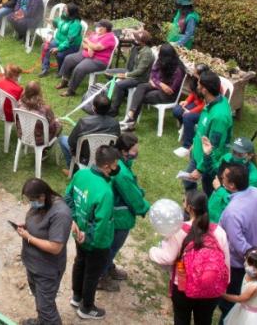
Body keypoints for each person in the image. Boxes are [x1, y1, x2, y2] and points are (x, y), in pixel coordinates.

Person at [150, 190, 231, 325]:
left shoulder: (179, 230)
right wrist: (223, 284)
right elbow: (225, 262)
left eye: (184, 200)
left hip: (182, 285)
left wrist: (152, 251)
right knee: (204, 321)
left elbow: (168, 258)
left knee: (182, 319)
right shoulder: (219, 231)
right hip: (210, 287)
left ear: (189, 208)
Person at [64, 144, 119, 321]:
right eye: (115, 165)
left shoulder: (80, 174)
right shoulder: (105, 191)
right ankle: (87, 307)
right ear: (106, 166)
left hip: (78, 232)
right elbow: (102, 223)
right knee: (92, 273)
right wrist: (89, 237)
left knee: (79, 263)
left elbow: (68, 197)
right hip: (97, 242)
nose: (116, 168)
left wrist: (74, 220)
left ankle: (76, 297)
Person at [218, 163, 257, 322]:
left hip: (237, 266)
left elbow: (239, 246)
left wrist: (253, 256)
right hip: (255, 262)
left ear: (231, 185)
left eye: (223, 177)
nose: (221, 178)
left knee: (230, 306)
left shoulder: (232, 212)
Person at [16, 178, 73, 325]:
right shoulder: (42, 203)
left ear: (42, 196)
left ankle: (47, 321)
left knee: (47, 308)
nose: (31, 203)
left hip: (47, 270)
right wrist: (27, 226)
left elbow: (55, 247)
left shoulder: (60, 213)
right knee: (41, 301)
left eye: (32, 199)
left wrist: (28, 237)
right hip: (33, 265)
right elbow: (41, 225)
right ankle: (41, 321)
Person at [99, 133, 150, 293]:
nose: (137, 151)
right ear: (124, 151)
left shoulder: (120, 163)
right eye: (134, 149)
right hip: (120, 216)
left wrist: (139, 190)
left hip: (115, 211)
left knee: (111, 246)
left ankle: (109, 267)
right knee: (112, 247)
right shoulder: (121, 172)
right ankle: (101, 276)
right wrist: (144, 207)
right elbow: (131, 196)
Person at [179, 70, 234, 197]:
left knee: (209, 191)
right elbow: (202, 130)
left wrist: (200, 169)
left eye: (199, 85)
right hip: (198, 154)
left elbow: (214, 148)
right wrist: (194, 143)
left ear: (204, 90)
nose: (197, 87)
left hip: (210, 164)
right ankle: (194, 206)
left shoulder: (219, 117)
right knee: (188, 182)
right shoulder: (210, 102)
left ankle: (202, 212)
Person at [122, 43, 185, 130]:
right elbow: (152, 75)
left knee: (141, 95)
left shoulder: (178, 70)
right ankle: (131, 115)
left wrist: (156, 82)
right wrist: (159, 83)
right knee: (141, 87)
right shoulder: (162, 61)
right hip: (159, 87)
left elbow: (170, 90)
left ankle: (130, 122)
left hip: (169, 96)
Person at [59, 94, 120, 174]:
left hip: (84, 158)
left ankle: (72, 170)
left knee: (62, 139)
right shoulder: (115, 123)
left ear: (93, 107)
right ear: (109, 109)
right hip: (105, 157)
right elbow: (117, 144)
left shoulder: (84, 122)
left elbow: (71, 142)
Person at [56, 20, 117, 98]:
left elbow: (97, 47)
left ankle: (71, 90)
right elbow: (84, 43)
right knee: (69, 59)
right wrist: (89, 48)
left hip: (98, 60)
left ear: (104, 28)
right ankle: (64, 81)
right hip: (86, 54)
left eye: (99, 26)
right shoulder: (96, 34)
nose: (97, 28)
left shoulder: (109, 37)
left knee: (80, 68)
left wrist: (88, 42)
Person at [208, 138, 257, 223]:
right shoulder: (227, 158)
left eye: (240, 154)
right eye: (234, 152)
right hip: (215, 203)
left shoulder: (253, 178)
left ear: (250, 156)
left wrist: (219, 190)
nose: (235, 157)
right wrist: (208, 154)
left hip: (229, 213)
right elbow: (216, 169)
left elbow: (241, 203)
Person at [107, 31, 156, 120]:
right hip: (133, 74)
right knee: (110, 74)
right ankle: (110, 101)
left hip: (140, 78)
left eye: (137, 39)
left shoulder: (146, 53)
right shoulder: (139, 48)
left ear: (142, 42)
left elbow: (140, 71)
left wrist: (126, 75)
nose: (134, 40)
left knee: (119, 85)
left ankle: (114, 110)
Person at [222, 247, 257, 325]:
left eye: (255, 267)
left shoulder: (255, 286)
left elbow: (239, 299)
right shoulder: (247, 275)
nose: (251, 268)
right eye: (249, 263)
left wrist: (222, 295)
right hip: (242, 310)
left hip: (251, 318)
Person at [40, 4, 83, 77]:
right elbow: (58, 22)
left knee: (60, 54)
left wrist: (59, 48)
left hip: (71, 45)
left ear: (71, 12)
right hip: (59, 41)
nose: (64, 10)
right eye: (64, 9)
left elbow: (70, 40)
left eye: (66, 9)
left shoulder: (76, 24)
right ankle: (45, 68)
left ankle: (61, 70)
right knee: (45, 46)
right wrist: (52, 21)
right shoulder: (64, 17)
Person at [173, 69, 207, 158]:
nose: (193, 74)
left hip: (203, 110)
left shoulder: (208, 86)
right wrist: (186, 102)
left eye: (196, 73)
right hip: (195, 104)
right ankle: (186, 128)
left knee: (187, 117)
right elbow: (193, 93)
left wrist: (190, 112)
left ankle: (187, 145)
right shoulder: (196, 81)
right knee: (176, 110)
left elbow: (205, 104)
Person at [17, 81, 61, 147]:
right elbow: (52, 128)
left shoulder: (19, 103)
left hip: (22, 134)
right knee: (59, 126)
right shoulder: (45, 109)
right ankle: (44, 150)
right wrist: (56, 121)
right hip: (39, 140)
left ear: (25, 91)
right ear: (39, 93)